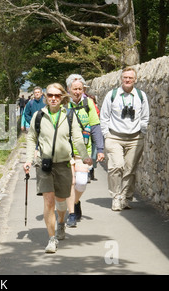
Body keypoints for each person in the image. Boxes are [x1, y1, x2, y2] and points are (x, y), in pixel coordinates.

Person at [23, 83, 92, 253]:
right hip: (44, 164)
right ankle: (51, 239)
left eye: (57, 96)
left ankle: (61, 222)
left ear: (62, 98)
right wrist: (28, 160)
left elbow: (77, 138)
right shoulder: (38, 116)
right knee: (48, 201)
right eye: (50, 95)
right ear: (46, 97)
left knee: (61, 200)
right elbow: (31, 138)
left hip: (64, 164)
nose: (53, 98)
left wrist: (84, 156)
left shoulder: (69, 115)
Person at [100, 67, 149, 211]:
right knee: (116, 166)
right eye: (125, 77)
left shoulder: (141, 96)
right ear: (121, 78)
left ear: (135, 80)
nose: (127, 80)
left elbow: (145, 116)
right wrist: (106, 134)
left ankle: (126, 198)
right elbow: (104, 116)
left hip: (135, 138)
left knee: (130, 169)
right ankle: (116, 197)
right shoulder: (112, 95)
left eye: (130, 78)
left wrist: (142, 132)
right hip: (114, 136)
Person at [65, 74, 105, 227]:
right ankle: (72, 214)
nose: (77, 92)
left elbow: (95, 127)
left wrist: (100, 149)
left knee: (81, 182)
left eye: (80, 89)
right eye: (74, 89)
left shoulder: (88, 103)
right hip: (66, 151)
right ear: (69, 89)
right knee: (71, 181)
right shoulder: (63, 104)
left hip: (84, 151)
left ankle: (75, 202)